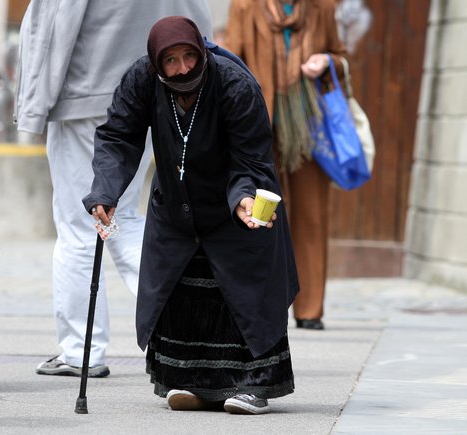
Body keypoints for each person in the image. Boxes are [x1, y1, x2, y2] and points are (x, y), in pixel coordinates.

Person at [83, 16, 298, 414]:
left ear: (201, 52)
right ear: (156, 64)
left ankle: (253, 386)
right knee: (182, 290)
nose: (182, 68)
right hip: (176, 207)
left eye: (189, 56)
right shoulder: (141, 80)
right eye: (171, 60)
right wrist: (106, 190)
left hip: (238, 206)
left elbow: (250, 157)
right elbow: (117, 136)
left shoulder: (234, 84)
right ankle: (190, 382)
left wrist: (241, 199)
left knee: (241, 294)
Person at [15, 0, 212, 377]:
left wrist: (33, 105)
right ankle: (185, 329)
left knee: (80, 226)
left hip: (87, 93)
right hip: (156, 91)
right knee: (123, 219)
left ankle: (80, 351)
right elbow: (196, 18)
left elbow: (52, 22)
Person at [224, 0, 348, 330]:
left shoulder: (322, 7)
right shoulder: (246, 6)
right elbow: (230, 60)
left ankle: (309, 308)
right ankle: (263, 303)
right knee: (262, 214)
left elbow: (339, 53)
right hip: (260, 127)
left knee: (311, 214)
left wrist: (326, 60)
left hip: (309, 126)